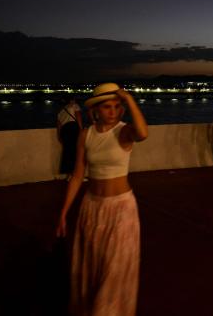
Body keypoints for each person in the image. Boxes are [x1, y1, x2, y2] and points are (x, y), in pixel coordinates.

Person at [56, 83, 148, 316]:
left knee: (112, 273)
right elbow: (77, 176)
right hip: (92, 208)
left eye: (117, 107)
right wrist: (64, 213)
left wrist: (129, 99)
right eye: (107, 107)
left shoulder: (124, 131)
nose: (113, 111)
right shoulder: (86, 135)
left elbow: (143, 133)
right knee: (92, 268)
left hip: (121, 210)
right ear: (95, 110)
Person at [56, 95, 83, 178]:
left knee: (67, 153)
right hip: (73, 129)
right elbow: (78, 118)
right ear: (72, 100)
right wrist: (81, 130)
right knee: (76, 152)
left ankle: (69, 175)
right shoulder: (74, 106)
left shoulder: (60, 112)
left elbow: (59, 126)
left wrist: (60, 137)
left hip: (65, 131)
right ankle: (76, 175)